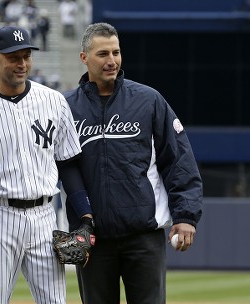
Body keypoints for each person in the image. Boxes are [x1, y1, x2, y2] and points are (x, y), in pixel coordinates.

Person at [63, 22, 203, 304]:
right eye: (103, 54)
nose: (112, 60)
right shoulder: (66, 107)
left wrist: (186, 216)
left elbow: (179, 161)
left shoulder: (148, 100)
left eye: (116, 52)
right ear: (84, 58)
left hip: (143, 235)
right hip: (92, 238)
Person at [0, 25, 94, 304]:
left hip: (44, 216)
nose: (22, 64)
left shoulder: (54, 101)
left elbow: (67, 164)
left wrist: (86, 216)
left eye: (26, 56)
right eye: (13, 57)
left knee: (55, 301)